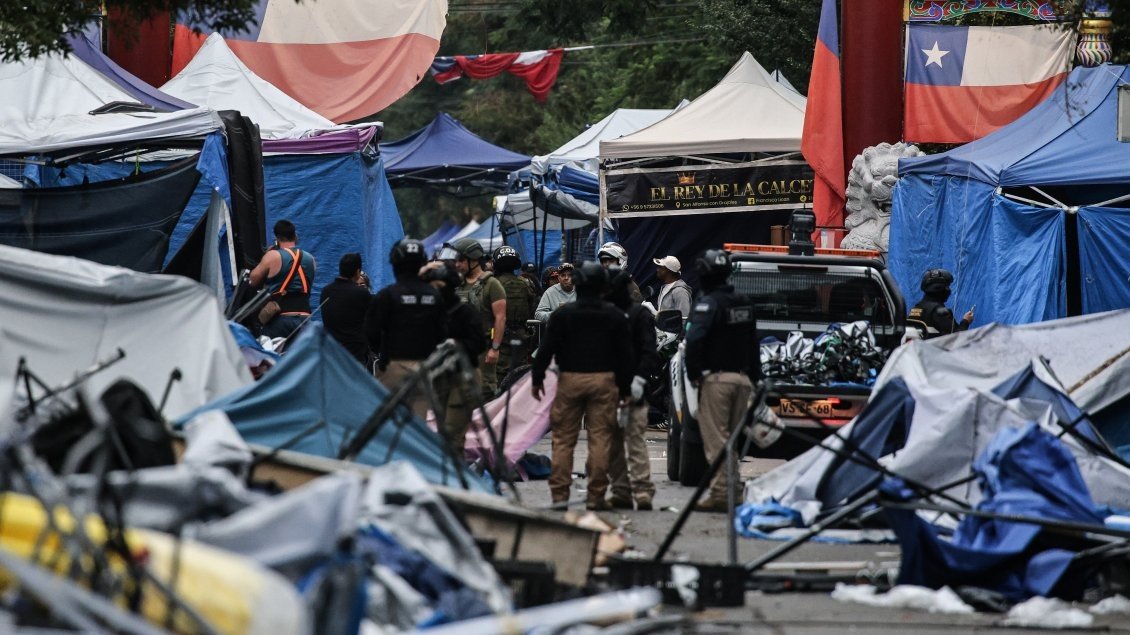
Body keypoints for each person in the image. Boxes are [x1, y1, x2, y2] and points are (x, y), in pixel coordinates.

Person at [531, 262, 633, 511]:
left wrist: (537, 378)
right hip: (604, 382)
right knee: (600, 439)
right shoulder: (615, 315)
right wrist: (625, 389)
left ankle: (559, 496)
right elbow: (625, 356)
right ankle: (596, 497)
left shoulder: (562, 315)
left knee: (563, 440)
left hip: (569, 381)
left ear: (577, 282)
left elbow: (546, 349)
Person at [684, 249, 757, 513]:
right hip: (743, 380)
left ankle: (721, 493)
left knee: (717, 440)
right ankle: (733, 491)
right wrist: (755, 379)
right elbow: (753, 344)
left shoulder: (708, 304)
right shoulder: (744, 303)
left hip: (717, 381)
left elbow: (694, 340)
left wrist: (694, 374)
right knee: (732, 440)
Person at [365, 238, 447, 421]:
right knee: (417, 423)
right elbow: (442, 333)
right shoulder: (435, 296)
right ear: (422, 263)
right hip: (425, 368)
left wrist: (383, 356)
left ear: (395, 265)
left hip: (393, 367)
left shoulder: (386, 296)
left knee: (388, 422)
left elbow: (371, 332)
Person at [604, 266, 660, 511]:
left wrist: (639, 380)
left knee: (634, 442)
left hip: (633, 389)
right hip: (609, 389)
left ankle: (642, 491)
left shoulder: (639, 314)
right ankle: (621, 492)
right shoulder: (607, 313)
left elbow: (649, 351)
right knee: (613, 445)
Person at [420, 261, 485, 457]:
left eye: (437, 286)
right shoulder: (431, 314)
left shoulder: (464, 313)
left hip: (463, 377)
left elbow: (479, 344)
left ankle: (452, 471)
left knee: (452, 434)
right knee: (442, 432)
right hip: (439, 376)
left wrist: (456, 346)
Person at [440, 238, 506, 399]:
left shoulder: (491, 284)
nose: (457, 264)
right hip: (458, 348)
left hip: (483, 347)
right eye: (456, 260)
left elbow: (500, 317)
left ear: (474, 260)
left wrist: (495, 348)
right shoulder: (457, 284)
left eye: (461, 260)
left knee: (484, 390)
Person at [249, 220, 317, 339]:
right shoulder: (311, 259)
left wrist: (266, 257)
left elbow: (252, 281)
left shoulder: (272, 256)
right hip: (304, 317)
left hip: (279, 318)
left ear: (277, 238)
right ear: (295, 236)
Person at [492, 246, 537, 386]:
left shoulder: (493, 284)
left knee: (499, 373)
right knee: (520, 373)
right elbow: (532, 308)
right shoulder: (526, 284)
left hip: (499, 335)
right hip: (521, 335)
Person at [320, 253, 371, 365]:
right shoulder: (361, 293)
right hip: (354, 353)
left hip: (331, 351)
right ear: (357, 272)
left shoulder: (326, 291)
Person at [907, 268, 973, 339]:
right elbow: (957, 338)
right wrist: (966, 321)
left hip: (917, 346)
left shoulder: (915, 309)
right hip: (934, 346)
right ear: (941, 289)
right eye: (947, 286)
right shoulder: (940, 312)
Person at [653, 255, 693, 319]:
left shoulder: (680, 291)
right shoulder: (664, 287)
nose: (657, 269)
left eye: (661, 267)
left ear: (668, 270)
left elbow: (684, 318)